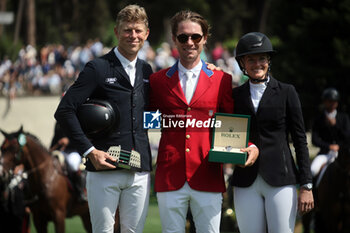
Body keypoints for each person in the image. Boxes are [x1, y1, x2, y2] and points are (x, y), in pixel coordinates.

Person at [149, 10, 259, 233]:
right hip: (170, 174)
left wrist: (248, 145)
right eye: (183, 37)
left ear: (205, 38)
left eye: (195, 37)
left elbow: (229, 125)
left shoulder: (222, 80)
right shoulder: (157, 81)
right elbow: (146, 120)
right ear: (174, 39)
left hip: (208, 173)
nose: (189, 42)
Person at [54, 4, 152, 233]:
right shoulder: (97, 68)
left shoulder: (147, 71)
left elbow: (151, 114)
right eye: (127, 30)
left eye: (138, 30)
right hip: (104, 169)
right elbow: (65, 110)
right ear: (117, 32)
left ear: (146, 34)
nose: (133, 35)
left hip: (140, 171)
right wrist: (89, 151)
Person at [230, 32, 314, 233]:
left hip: (281, 178)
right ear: (242, 62)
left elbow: (300, 141)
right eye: (251, 59)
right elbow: (229, 135)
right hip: (245, 179)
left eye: (261, 58)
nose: (257, 64)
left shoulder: (287, 92)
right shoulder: (234, 95)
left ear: (268, 60)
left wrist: (307, 185)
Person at [310, 88, 350, 179]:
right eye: (330, 101)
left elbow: (347, 137)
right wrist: (329, 146)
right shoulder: (318, 119)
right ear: (325, 102)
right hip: (325, 153)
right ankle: (312, 192)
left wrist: (335, 125)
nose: (332, 104)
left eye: (335, 101)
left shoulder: (344, 118)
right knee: (313, 170)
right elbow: (314, 140)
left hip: (343, 153)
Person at [50, 121, 86, 202]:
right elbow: (55, 137)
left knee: (73, 165)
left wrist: (69, 141)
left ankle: (80, 192)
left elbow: (83, 138)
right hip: (60, 151)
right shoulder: (59, 121)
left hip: (74, 151)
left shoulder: (79, 120)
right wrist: (50, 149)